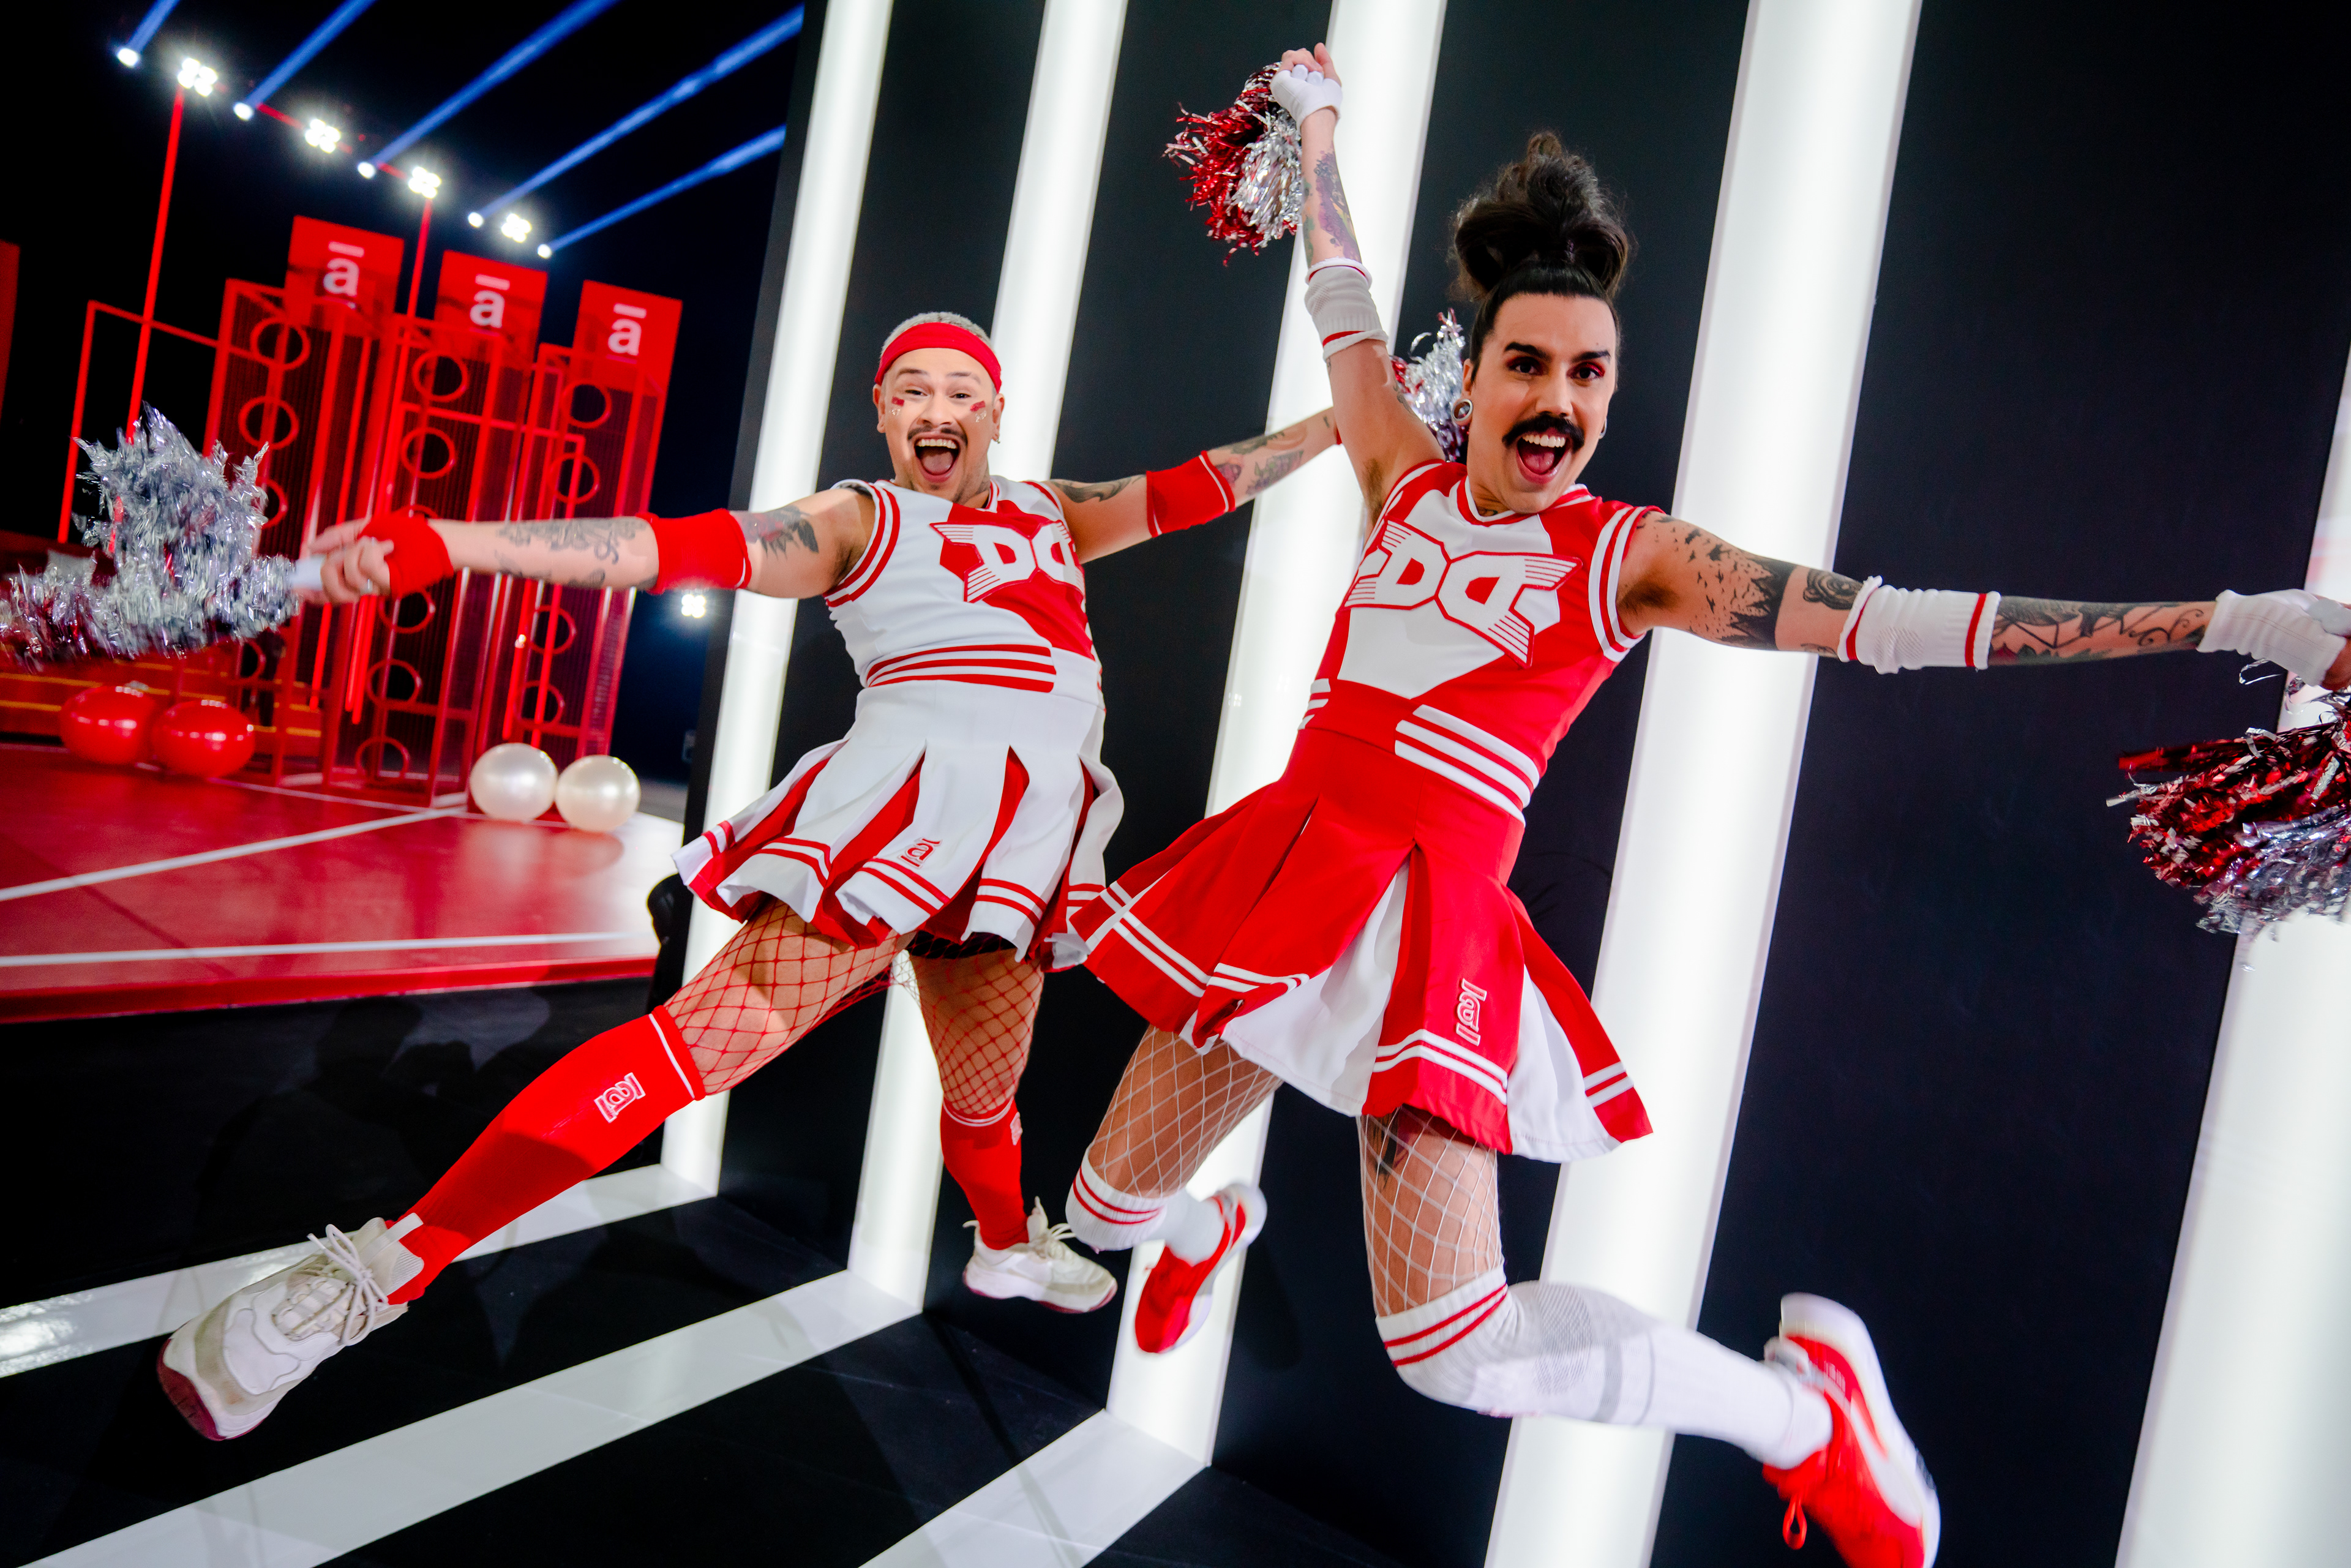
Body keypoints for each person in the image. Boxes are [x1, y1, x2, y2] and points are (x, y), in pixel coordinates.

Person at [1061, 50, 2351, 1568]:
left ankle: (1804, 1417)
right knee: (1101, 1210)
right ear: (1476, 377)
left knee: (1451, 1353)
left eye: (1589, 374)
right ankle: (1214, 1224)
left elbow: (1891, 620)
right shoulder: (1398, 472)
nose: (1557, 400)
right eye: (1528, 364)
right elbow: (1336, 286)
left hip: (1425, 926)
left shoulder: (1635, 558)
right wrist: (1322, 126)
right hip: (1286, 871)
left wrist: (2237, 620)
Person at [159, 309, 1340, 1442]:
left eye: (960, 391)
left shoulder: (1054, 511)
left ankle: (1000, 1240)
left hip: (1026, 848)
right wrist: (458, 543)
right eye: (913, 391)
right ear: (882, 413)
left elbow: (1204, 483)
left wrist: (1345, 421)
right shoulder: (859, 518)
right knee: (693, 1050)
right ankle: (378, 1272)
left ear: (995, 409)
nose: (937, 408)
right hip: (903, 823)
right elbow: (670, 545)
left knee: (988, 1094)